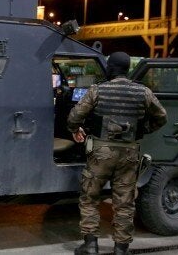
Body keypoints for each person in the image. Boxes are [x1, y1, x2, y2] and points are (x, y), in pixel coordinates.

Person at [67, 52, 168, 255]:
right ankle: (121, 249)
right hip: (130, 153)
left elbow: (74, 117)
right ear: (128, 68)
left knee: (90, 197)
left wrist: (76, 129)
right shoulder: (144, 92)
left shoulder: (98, 90)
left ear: (110, 68)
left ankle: (90, 245)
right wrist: (142, 130)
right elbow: (162, 117)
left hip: (101, 153)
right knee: (124, 202)